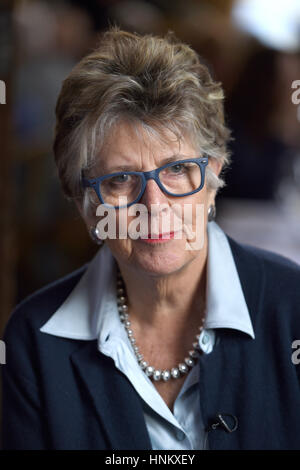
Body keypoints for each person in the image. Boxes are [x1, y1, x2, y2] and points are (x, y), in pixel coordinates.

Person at [2, 28, 300, 451]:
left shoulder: (294, 311)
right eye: (121, 178)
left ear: (213, 178)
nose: (155, 205)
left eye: (177, 169)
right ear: (84, 201)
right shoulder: (33, 341)